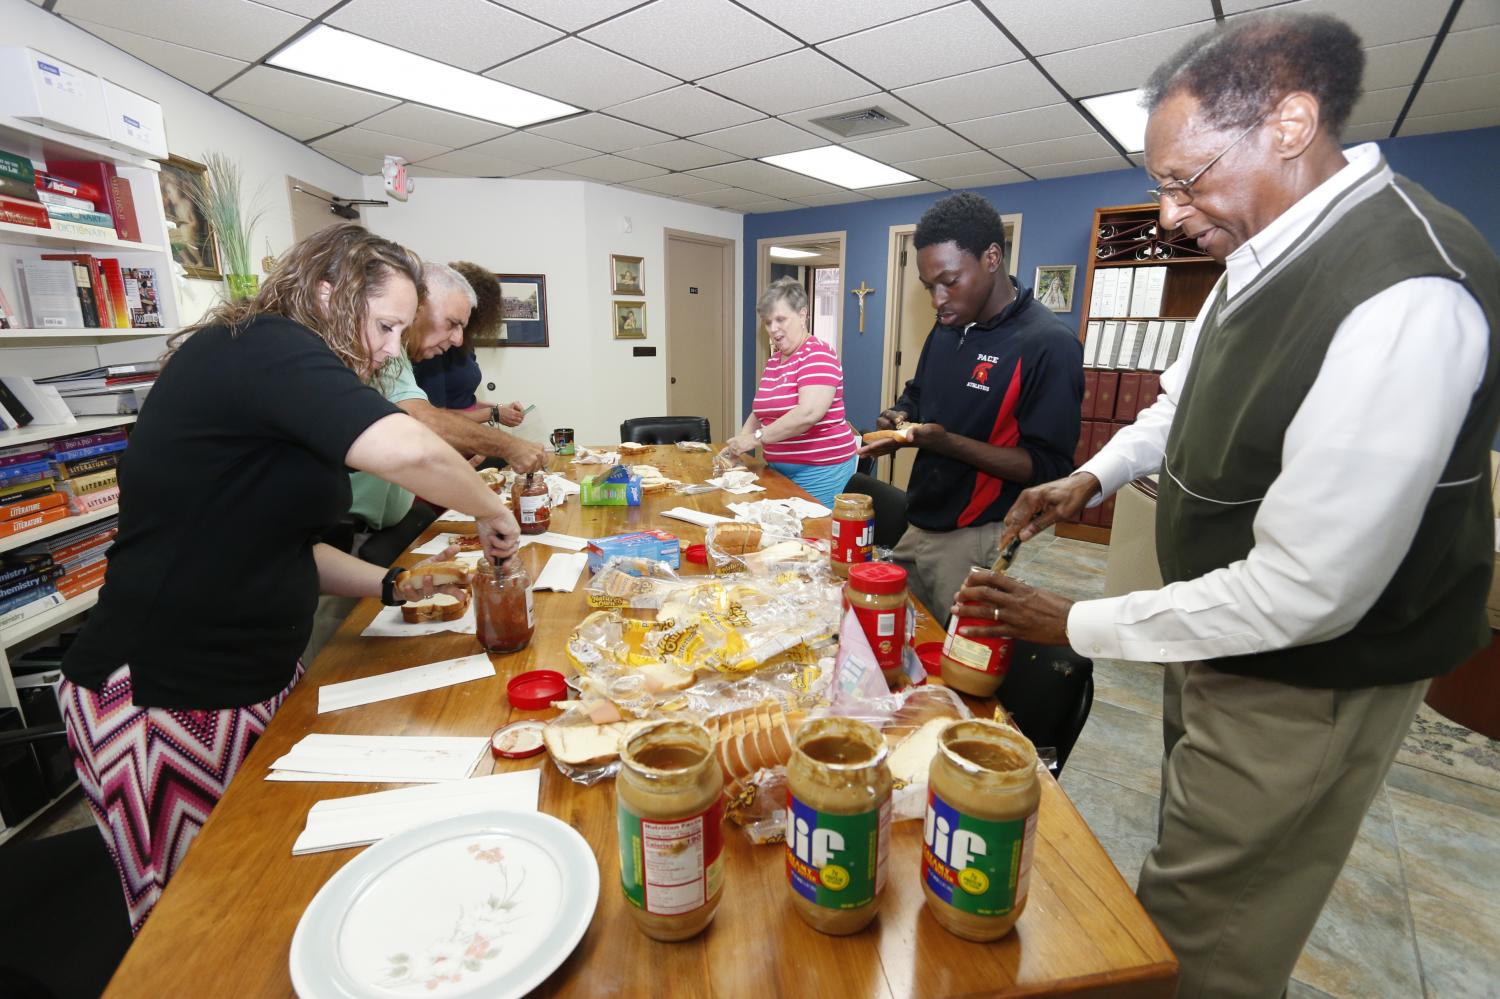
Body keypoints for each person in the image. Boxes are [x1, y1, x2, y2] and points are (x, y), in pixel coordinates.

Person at [956, 14, 1500, 999]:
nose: (1169, 213)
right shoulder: (1263, 255)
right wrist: (1093, 475)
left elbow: (1307, 592)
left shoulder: (1406, 293)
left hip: (1311, 672)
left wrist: (1071, 618)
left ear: (1291, 124)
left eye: (1183, 178)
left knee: (1214, 922)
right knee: (1201, 844)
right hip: (1225, 635)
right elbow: (1178, 402)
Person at [57, 223, 523, 934]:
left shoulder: (286, 372)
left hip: (256, 678)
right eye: (387, 325)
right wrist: (491, 506)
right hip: (163, 693)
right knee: (201, 925)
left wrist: (391, 585)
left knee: (273, 892)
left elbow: (284, 546)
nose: (394, 347)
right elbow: (407, 446)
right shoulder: (264, 344)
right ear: (328, 293)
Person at [858, 191, 1082, 621]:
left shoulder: (1048, 345)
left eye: (950, 281)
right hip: (919, 520)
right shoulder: (947, 328)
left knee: (959, 667)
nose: (937, 300)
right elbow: (918, 396)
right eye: (929, 287)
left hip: (976, 536)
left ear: (992, 258)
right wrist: (899, 419)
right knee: (896, 636)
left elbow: (1049, 468)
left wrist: (946, 443)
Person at [726, 276, 858, 507]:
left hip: (820, 470)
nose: (773, 329)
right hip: (779, 469)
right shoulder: (776, 360)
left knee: (812, 538)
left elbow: (808, 413)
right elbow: (761, 411)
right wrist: (738, 447)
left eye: (780, 319)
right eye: (767, 322)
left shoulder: (818, 354)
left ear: (803, 314)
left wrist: (754, 440)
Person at [412, 260, 528, 431]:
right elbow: (435, 416)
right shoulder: (433, 350)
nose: (457, 338)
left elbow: (465, 402)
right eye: (453, 323)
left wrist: (500, 409)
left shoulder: (463, 344)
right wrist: (493, 414)